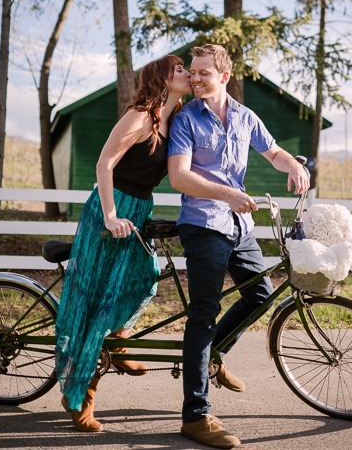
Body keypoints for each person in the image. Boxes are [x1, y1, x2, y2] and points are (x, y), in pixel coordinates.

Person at [168, 44, 309, 449]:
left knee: (260, 295)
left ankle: (212, 355)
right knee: (203, 314)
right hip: (202, 224)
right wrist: (227, 194)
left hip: (239, 225)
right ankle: (195, 415)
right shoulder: (186, 119)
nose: (195, 78)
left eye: (203, 73)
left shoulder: (245, 117)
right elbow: (178, 177)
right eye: (192, 72)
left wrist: (295, 166)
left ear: (224, 77)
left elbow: (274, 151)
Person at [55, 54, 191, 433]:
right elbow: (104, 164)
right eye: (179, 69)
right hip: (110, 209)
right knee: (98, 300)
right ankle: (78, 395)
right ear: (162, 79)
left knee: (145, 279)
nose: (186, 74)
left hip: (140, 210)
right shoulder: (140, 117)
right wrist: (112, 215)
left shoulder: (174, 120)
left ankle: (118, 342)